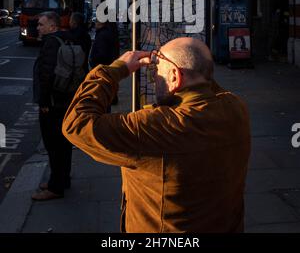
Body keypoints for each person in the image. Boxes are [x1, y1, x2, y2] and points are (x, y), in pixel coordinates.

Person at [62, 37, 251, 232]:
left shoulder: (156, 126)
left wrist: (115, 70)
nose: (154, 78)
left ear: (175, 77)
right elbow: (204, 78)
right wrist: (190, 64)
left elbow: (77, 123)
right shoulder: (236, 107)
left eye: (156, 71)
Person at [32, 12, 73, 201]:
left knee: (53, 145)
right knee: (63, 144)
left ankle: (55, 188)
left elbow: (46, 75)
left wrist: (44, 102)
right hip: (64, 100)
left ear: (52, 27)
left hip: (53, 103)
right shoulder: (66, 40)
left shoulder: (50, 44)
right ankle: (62, 179)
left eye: (41, 25)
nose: (38, 28)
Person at [89, 20, 120, 104]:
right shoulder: (110, 32)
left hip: (102, 65)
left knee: (104, 85)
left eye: (96, 22)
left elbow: (102, 53)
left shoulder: (102, 35)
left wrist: (94, 60)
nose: (95, 24)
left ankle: (109, 99)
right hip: (109, 64)